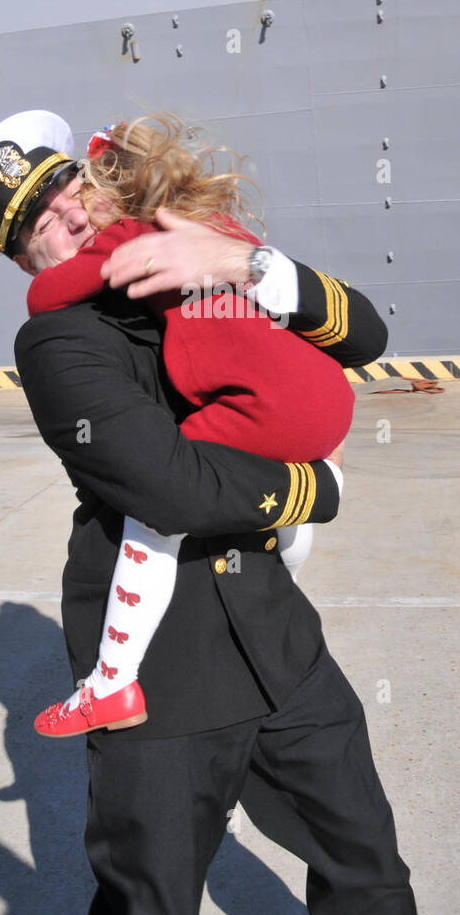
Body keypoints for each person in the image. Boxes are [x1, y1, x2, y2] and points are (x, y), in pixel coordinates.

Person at [0, 109, 423, 915]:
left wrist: (241, 261)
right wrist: (316, 487)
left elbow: (367, 336)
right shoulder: (58, 341)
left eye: (65, 189)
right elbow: (174, 489)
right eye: (36, 226)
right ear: (24, 261)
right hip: (159, 671)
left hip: (277, 638)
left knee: (369, 868)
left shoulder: (204, 258)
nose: (64, 215)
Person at [25, 114, 356, 739]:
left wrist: (71, 262)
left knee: (157, 512)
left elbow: (46, 295)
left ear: (114, 192)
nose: (78, 216)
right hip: (327, 398)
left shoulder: (129, 235)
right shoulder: (216, 227)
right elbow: (348, 327)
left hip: (267, 408)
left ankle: (112, 681)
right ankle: (279, 573)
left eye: (81, 195)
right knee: (278, 517)